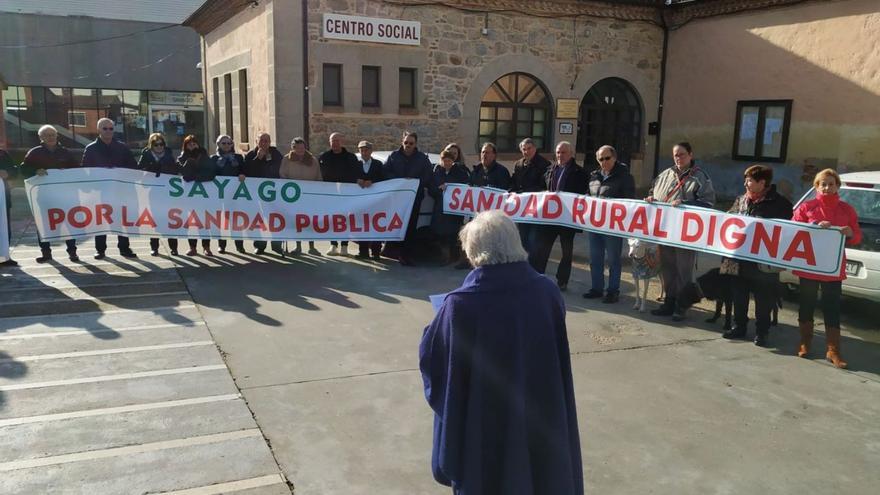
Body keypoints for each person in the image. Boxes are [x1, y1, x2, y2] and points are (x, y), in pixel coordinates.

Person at [419, 209, 583, 495]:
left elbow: (434, 359)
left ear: (474, 251)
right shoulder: (548, 291)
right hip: (540, 412)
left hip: (483, 423)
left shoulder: (458, 305)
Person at [792, 168, 861, 368]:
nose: (827, 187)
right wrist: (813, 224)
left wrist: (849, 233)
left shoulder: (846, 209)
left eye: (831, 184)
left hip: (833, 267)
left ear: (837, 186)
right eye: (823, 184)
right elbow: (794, 228)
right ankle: (805, 342)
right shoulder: (806, 207)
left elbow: (857, 236)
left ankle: (833, 350)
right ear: (816, 186)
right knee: (806, 303)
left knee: (832, 308)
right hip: (809, 266)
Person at [723, 165, 793, 346]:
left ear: (762, 183)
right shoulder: (741, 200)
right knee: (739, 295)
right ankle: (739, 327)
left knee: (764, 299)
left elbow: (787, 231)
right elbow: (729, 218)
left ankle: (762, 332)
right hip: (738, 258)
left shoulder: (781, 204)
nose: (745, 183)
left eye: (749, 180)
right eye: (745, 180)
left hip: (764, 262)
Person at [646, 142, 715, 320]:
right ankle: (669, 302)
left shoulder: (701, 177)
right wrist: (651, 198)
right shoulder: (665, 175)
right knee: (667, 268)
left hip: (686, 234)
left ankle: (681, 306)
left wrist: (687, 205)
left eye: (682, 154)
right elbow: (654, 190)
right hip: (665, 230)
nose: (678, 158)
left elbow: (708, 203)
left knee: (683, 270)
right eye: (676, 155)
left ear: (691, 155)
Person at [530, 141, 589, 291]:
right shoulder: (550, 170)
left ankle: (562, 281)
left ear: (571, 154)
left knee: (566, 252)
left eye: (563, 152)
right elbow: (540, 186)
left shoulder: (579, 172)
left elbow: (583, 194)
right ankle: (538, 276)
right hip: (550, 219)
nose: (560, 155)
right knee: (542, 249)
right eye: (557, 152)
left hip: (567, 219)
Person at [582, 145, 635, 303]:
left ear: (615, 158)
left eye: (607, 158)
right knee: (595, 258)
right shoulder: (594, 175)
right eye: (600, 159)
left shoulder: (624, 176)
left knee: (613, 259)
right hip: (595, 224)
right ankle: (597, 288)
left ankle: (613, 291)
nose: (603, 161)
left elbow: (629, 200)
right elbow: (589, 194)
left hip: (613, 226)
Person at [21, 125, 80, 263]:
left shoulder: (65, 152)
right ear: (41, 137)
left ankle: (72, 252)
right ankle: (46, 252)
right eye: (47, 135)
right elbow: (23, 169)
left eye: (53, 134)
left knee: (67, 222)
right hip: (43, 195)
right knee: (43, 223)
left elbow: (77, 169)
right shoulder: (34, 153)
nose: (50, 137)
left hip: (63, 194)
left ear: (57, 136)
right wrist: (35, 171)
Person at [81, 117, 139, 259]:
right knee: (100, 221)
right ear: (99, 130)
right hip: (100, 191)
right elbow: (84, 170)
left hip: (120, 191)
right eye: (105, 128)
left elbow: (133, 167)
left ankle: (124, 248)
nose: (108, 131)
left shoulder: (122, 147)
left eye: (111, 128)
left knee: (121, 219)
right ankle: (100, 250)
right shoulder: (91, 148)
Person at [382, 131, 433, 266]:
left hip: (414, 199)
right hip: (396, 199)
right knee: (394, 224)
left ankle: (406, 255)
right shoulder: (393, 156)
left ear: (415, 144)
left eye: (411, 143)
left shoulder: (422, 158)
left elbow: (428, 176)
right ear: (402, 142)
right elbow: (385, 172)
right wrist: (400, 181)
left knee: (410, 227)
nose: (408, 145)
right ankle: (390, 249)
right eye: (406, 143)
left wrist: (415, 182)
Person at [319, 132, 361, 256]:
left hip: (346, 194)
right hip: (330, 194)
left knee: (345, 220)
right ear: (329, 142)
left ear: (342, 142)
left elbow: (355, 174)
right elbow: (320, 174)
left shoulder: (351, 157)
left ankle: (344, 246)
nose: (335, 143)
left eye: (337, 140)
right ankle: (333, 245)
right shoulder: (323, 157)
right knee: (331, 219)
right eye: (332, 140)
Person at [138, 132, 180, 256]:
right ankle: (154, 247)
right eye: (156, 145)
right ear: (151, 145)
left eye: (161, 144)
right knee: (154, 220)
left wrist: (164, 168)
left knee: (169, 219)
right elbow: (140, 169)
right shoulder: (146, 154)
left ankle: (174, 247)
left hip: (166, 191)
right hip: (152, 192)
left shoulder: (168, 154)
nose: (159, 147)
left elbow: (174, 170)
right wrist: (152, 167)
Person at [279, 136, 321, 256]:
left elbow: (318, 177)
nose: (301, 151)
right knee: (297, 222)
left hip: (309, 196)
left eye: (302, 148)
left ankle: (312, 247)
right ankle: (298, 247)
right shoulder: (287, 159)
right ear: (293, 148)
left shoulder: (313, 160)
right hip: (294, 196)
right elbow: (282, 175)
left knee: (310, 222)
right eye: (298, 148)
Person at [244, 132, 284, 256]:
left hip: (273, 192)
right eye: (261, 140)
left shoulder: (276, 154)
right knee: (259, 220)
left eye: (266, 140)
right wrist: (258, 159)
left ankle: (276, 245)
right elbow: (248, 172)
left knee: (275, 219)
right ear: (257, 142)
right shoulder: (251, 154)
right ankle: (260, 246)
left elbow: (280, 169)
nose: (264, 143)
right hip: (256, 193)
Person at [428, 149, 470, 265]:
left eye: (449, 161)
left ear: (453, 161)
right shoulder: (437, 172)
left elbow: (465, 187)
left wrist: (451, 186)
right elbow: (431, 188)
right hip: (440, 207)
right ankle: (444, 256)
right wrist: (438, 189)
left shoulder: (460, 172)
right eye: (444, 161)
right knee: (440, 233)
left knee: (453, 233)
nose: (446, 163)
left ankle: (454, 256)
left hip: (454, 209)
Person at [510, 137, 550, 253]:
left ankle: (533, 266)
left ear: (535, 149)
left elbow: (544, 186)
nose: (526, 151)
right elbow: (513, 182)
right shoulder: (518, 164)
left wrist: (525, 193)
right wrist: (512, 192)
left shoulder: (544, 164)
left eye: (529, 148)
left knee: (533, 239)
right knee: (522, 238)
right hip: (521, 209)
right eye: (524, 149)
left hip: (536, 208)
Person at [179, 135, 216, 256]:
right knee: (192, 222)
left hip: (203, 195)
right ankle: (192, 247)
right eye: (189, 144)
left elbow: (211, 173)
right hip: (189, 196)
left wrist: (197, 178)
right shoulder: (182, 158)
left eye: (194, 143)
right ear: (185, 146)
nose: (192, 146)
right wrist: (190, 162)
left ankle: (206, 247)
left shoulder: (205, 157)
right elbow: (184, 174)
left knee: (205, 222)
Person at [211, 135, 247, 254]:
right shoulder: (214, 158)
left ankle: (239, 245)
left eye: (228, 143)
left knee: (236, 220)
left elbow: (244, 170)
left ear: (232, 145)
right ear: (218, 145)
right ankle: (222, 245)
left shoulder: (238, 158)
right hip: (219, 195)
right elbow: (210, 174)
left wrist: (242, 174)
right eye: (223, 143)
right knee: (220, 221)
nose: (226, 145)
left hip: (235, 194)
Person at [355, 140, 385, 260]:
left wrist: (372, 181)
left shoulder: (378, 164)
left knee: (375, 225)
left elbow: (383, 178)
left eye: (366, 149)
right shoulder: (355, 164)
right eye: (362, 149)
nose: (364, 152)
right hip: (360, 200)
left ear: (371, 151)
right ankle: (363, 252)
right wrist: (357, 180)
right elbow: (350, 176)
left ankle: (376, 252)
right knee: (362, 225)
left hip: (375, 200)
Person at [0, 146, 17, 267]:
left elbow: (14, 170)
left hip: (3, 196)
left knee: (4, 226)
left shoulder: (3, 154)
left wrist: (8, 173)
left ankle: (5, 256)